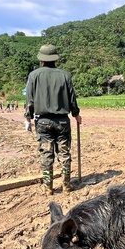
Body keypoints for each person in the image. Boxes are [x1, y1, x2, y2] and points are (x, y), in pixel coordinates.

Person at [25, 44, 82, 196]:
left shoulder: (34, 75)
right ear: (56, 59)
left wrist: (27, 118)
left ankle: (48, 187)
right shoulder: (65, 75)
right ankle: (67, 185)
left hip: (43, 122)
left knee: (46, 154)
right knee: (64, 153)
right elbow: (72, 99)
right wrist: (76, 114)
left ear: (41, 60)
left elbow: (30, 101)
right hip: (63, 122)